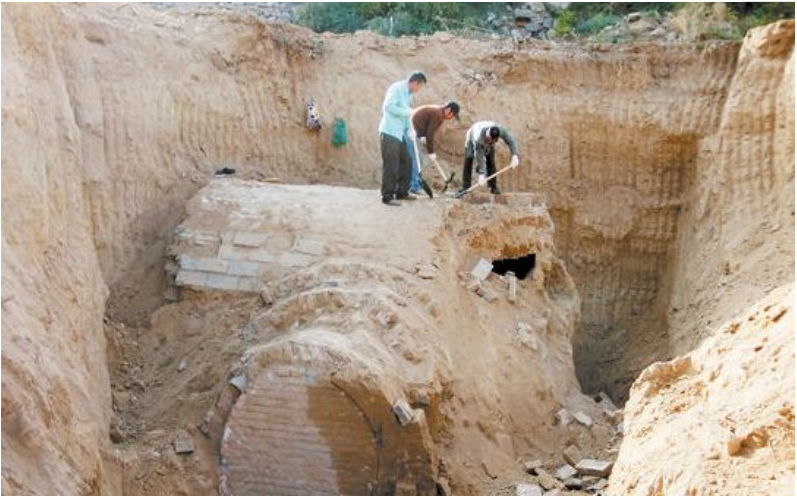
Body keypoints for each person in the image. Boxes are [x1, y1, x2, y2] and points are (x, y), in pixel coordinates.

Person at [378, 71, 427, 206]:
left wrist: (410, 131)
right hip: (389, 132)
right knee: (391, 166)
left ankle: (402, 192)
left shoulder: (409, 96)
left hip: (400, 134)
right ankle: (387, 196)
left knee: (407, 162)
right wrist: (407, 112)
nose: (419, 90)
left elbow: (407, 117)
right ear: (414, 83)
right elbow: (388, 107)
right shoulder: (397, 88)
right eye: (420, 86)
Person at [407, 101, 461, 194]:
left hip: (413, 130)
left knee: (416, 159)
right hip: (410, 130)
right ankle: (414, 186)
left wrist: (422, 135)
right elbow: (430, 134)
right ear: (448, 110)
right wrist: (431, 152)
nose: (451, 118)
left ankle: (412, 185)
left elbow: (426, 125)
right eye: (452, 115)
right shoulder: (438, 115)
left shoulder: (438, 111)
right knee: (417, 160)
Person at [459, 121, 520, 195]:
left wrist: (515, 155)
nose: (491, 141)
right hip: (472, 138)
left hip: (485, 139)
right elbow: (479, 157)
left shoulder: (500, 130)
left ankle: (493, 187)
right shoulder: (478, 139)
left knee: (491, 160)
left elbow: (511, 141)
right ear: (488, 136)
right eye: (490, 140)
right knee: (469, 158)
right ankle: (466, 187)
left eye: (493, 140)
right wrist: (482, 173)